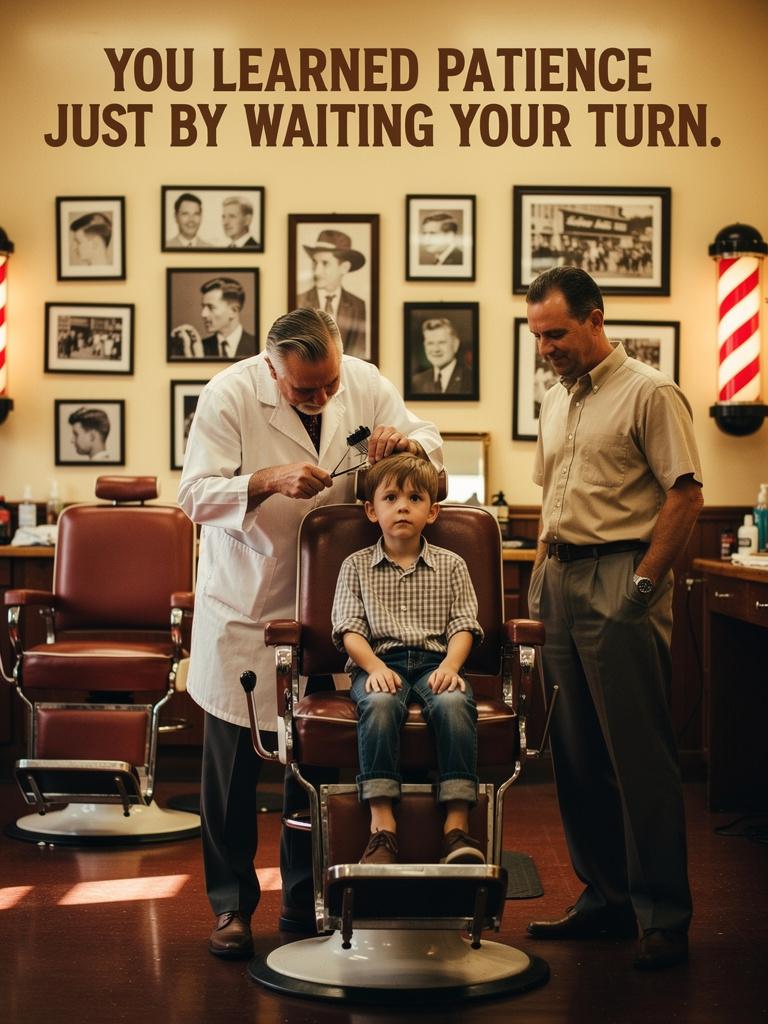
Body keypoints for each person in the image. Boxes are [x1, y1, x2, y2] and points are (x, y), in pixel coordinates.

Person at [177, 307, 442, 959]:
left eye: (328, 383)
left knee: (315, 760)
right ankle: (231, 907)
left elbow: (433, 451)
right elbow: (194, 495)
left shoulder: (364, 381)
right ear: (273, 369)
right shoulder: (230, 394)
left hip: (339, 605)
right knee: (235, 766)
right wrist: (265, 480)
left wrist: (403, 445)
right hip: (248, 602)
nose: (323, 397)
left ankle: (304, 899)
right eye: (306, 390)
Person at [524, 266, 703, 972]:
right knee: (575, 755)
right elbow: (552, 496)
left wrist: (643, 584)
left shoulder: (650, 392)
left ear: (597, 319)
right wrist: (539, 576)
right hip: (559, 578)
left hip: (619, 577)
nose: (547, 348)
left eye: (558, 333)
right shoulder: (555, 400)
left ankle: (663, 914)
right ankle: (605, 898)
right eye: (538, 336)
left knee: (639, 757)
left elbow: (685, 497)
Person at [331, 453, 484, 866]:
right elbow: (350, 630)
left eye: (415, 498)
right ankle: (382, 826)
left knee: (454, 704)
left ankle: (456, 826)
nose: (402, 506)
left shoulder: (452, 566)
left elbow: (463, 626)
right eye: (391, 497)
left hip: (438, 661)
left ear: (432, 511)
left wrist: (451, 667)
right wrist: (375, 668)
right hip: (379, 662)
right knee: (379, 706)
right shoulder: (356, 566)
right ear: (371, 509)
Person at [297, 229, 367, 359]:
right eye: (315, 263)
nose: (317, 271)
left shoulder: (358, 305)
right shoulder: (300, 301)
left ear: (344, 267)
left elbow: (359, 351)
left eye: (325, 263)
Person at [169, 277, 257, 359]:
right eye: (203, 307)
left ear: (233, 311)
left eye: (211, 307)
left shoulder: (259, 347)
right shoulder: (198, 348)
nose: (203, 314)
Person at [411, 318, 473, 395]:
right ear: (424, 346)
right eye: (430, 343)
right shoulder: (416, 382)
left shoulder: (471, 379)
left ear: (456, 344)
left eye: (442, 342)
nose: (436, 349)